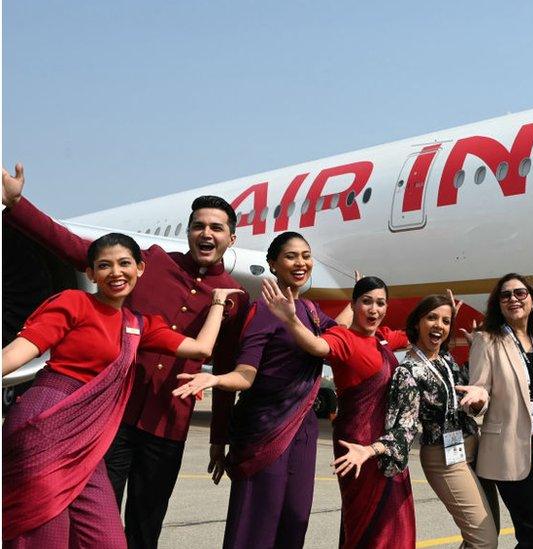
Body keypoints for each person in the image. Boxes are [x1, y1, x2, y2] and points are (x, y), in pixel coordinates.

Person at [2, 164, 249, 549]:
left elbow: (221, 363)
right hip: (113, 418)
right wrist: (18, 204)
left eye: (216, 228)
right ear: (188, 231)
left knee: (145, 526)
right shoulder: (149, 262)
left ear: (231, 238)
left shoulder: (234, 296)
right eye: (199, 225)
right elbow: (72, 247)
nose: (206, 233)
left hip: (168, 425)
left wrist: (219, 438)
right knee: (84, 519)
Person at [172, 232, 351, 548]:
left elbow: (337, 335)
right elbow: (246, 373)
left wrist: (360, 297)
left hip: (303, 429)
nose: (301, 263)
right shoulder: (263, 311)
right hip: (264, 429)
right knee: (256, 524)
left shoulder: (310, 311)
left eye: (306, 255)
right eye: (291, 256)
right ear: (273, 264)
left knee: (294, 520)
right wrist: (215, 379)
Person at [332, 294, 498, 549]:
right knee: (485, 541)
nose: (439, 325)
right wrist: (370, 449)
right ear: (417, 323)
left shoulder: (445, 359)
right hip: (445, 460)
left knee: (484, 534)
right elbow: (404, 427)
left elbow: (459, 397)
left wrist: (476, 394)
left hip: (472, 450)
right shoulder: (408, 372)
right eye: (431, 318)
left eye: (445, 321)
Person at [263, 275, 415, 548]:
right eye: (366, 302)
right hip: (355, 442)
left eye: (380, 303)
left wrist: (444, 317)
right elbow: (317, 346)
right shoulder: (342, 337)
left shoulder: (382, 338)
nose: (374, 309)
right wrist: (291, 320)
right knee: (364, 524)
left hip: (387, 445)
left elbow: (415, 337)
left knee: (391, 523)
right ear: (353, 304)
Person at [468, 273, 533, 549]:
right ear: (498, 305)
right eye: (505, 295)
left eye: (520, 293)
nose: (513, 299)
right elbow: (480, 388)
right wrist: (478, 399)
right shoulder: (487, 340)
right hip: (509, 450)